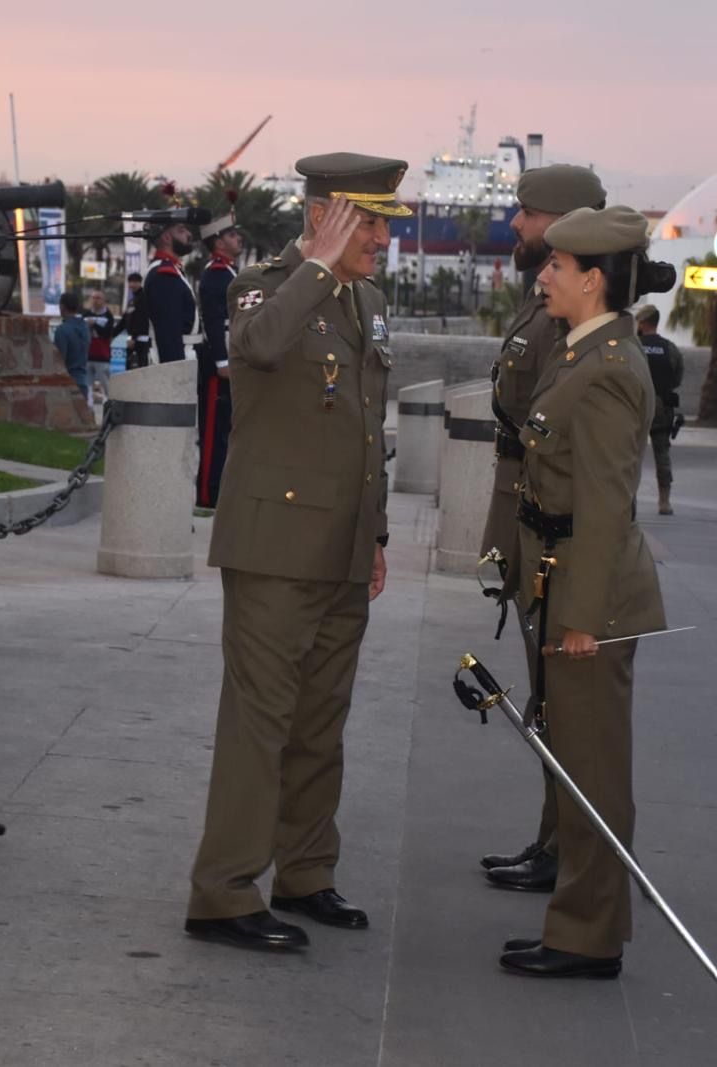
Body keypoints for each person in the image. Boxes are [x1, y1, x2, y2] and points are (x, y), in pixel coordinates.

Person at [185, 153, 409, 952]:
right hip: (275, 547)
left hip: (341, 549)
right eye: (370, 222)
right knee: (260, 722)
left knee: (322, 721)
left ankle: (307, 871)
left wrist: (375, 535)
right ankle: (222, 890)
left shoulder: (369, 300)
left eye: (385, 224)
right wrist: (312, 268)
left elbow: (363, 425)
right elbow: (259, 347)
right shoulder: (263, 286)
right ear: (323, 216)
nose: (383, 238)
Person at [497, 205, 670, 979]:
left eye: (557, 268)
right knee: (576, 764)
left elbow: (602, 505)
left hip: (590, 600)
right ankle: (578, 921)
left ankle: (589, 936)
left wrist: (578, 619)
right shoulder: (584, 351)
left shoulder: (604, 371)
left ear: (593, 280)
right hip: (565, 582)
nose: (544, 276)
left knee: (591, 774)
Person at [477, 164, 607, 896]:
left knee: (561, 699)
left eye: (527, 214)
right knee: (545, 695)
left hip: (551, 523)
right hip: (523, 508)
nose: (517, 225)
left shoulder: (574, 317)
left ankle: (566, 851)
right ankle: (551, 841)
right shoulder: (543, 301)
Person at [195, 213, 241, 510]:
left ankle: (218, 488)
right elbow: (214, 322)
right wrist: (222, 362)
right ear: (218, 241)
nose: (239, 239)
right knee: (213, 431)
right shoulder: (216, 274)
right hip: (217, 364)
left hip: (230, 359)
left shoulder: (229, 273)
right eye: (233, 235)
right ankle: (208, 493)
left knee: (224, 430)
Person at [635, 303, 685, 512]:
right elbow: (677, 378)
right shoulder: (669, 348)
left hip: (635, 406)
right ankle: (664, 501)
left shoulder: (633, 345)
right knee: (662, 455)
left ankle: (629, 501)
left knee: (631, 455)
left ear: (643, 322)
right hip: (661, 408)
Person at [142, 223, 197, 364]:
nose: (189, 234)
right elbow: (169, 334)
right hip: (177, 361)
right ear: (167, 237)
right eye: (181, 230)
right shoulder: (164, 275)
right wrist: (176, 376)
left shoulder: (171, 269)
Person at [82, 289, 120, 399]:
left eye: (98, 298)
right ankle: (88, 408)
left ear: (104, 300)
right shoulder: (86, 314)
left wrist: (94, 324)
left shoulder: (108, 316)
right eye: (93, 298)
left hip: (102, 356)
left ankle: (111, 407)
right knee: (87, 386)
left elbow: (107, 334)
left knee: (106, 385)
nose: (95, 300)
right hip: (88, 355)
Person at [53, 290, 91, 401]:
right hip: (83, 381)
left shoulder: (62, 330)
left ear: (62, 306)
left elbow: (60, 361)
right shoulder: (84, 327)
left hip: (67, 382)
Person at [120, 272, 149, 368]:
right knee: (128, 367)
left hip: (142, 340)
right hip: (132, 339)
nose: (132, 284)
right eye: (130, 282)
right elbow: (124, 321)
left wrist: (133, 337)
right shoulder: (132, 300)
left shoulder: (143, 298)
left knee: (140, 368)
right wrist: (112, 334)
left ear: (140, 283)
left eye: (135, 282)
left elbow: (141, 320)